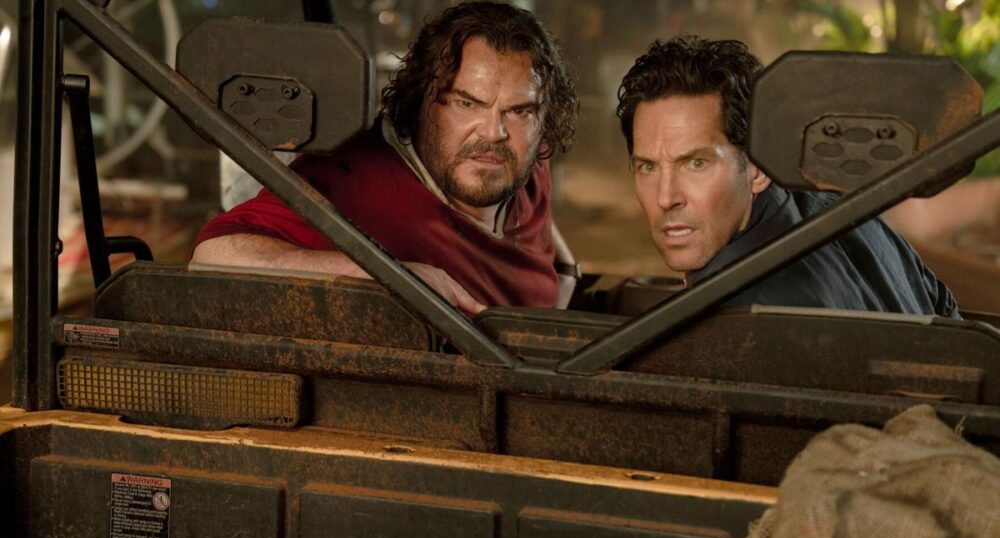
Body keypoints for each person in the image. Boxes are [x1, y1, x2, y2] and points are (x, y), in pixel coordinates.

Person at [191, 2, 578, 315]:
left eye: (519, 110)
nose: (494, 132)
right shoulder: (355, 181)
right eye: (466, 103)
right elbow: (213, 255)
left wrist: (566, 273)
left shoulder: (522, 155)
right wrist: (391, 277)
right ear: (422, 99)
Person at [616, 36, 959, 317]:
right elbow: (946, 314)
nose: (666, 197)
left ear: (758, 168)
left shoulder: (738, 320)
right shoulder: (852, 217)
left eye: (696, 164)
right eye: (648, 167)